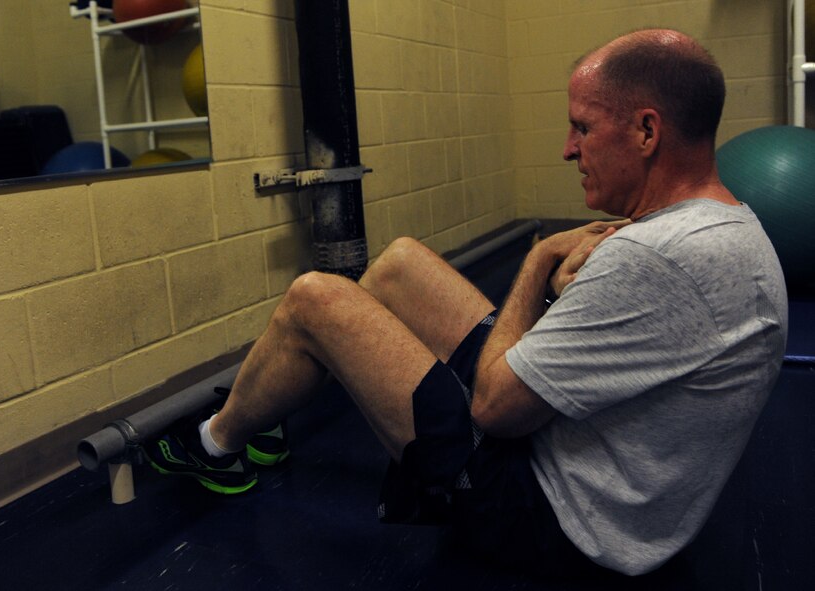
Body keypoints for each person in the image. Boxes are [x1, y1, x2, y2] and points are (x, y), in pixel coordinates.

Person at [145, 29, 788, 576]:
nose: (569, 148)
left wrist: (537, 259)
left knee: (316, 298)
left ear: (647, 131)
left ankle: (215, 445)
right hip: (580, 448)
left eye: (582, 127)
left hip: (553, 513)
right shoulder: (721, 223)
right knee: (399, 265)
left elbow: (494, 410)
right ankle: (269, 403)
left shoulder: (654, 256)